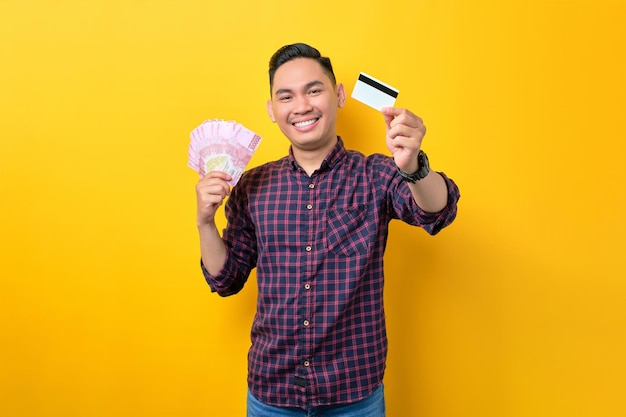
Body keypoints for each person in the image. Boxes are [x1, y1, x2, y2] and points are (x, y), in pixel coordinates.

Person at [195, 43, 460, 417]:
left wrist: (414, 165)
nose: (301, 106)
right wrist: (205, 222)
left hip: (354, 393)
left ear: (338, 95)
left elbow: (436, 210)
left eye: (314, 90)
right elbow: (227, 279)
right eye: (286, 96)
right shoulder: (251, 186)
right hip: (273, 393)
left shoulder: (376, 174)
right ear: (273, 110)